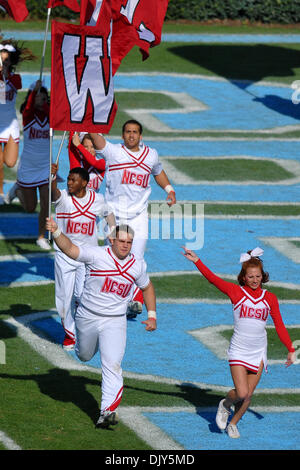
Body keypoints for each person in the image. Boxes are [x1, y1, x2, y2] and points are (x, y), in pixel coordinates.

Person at [46, 217, 157, 428]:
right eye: (122, 241)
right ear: (112, 240)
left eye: (129, 242)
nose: (125, 245)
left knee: (112, 364)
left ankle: (107, 411)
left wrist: (152, 315)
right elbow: (70, 249)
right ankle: (83, 344)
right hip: (87, 316)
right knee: (85, 355)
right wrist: (57, 231)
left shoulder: (137, 265)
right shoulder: (97, 255)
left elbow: (147, 287)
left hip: (115, 321)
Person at [182, 246, 295, 439]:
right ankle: (225, 404)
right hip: (239, 350)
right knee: (241, 393)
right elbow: (214, 280)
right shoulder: (236, 292)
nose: (254, 280)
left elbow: (279, 326)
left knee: (248, 396)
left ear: (263, 276)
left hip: (258, 352)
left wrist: (290, 349)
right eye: (250, 276)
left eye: (258, 276)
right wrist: (197, 261)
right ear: (243, 277)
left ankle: (233, 423)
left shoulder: (270, 298)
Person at [90, 120, 176, 317]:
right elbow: (97, 139)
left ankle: (134, 300)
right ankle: (107, 298)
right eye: (128, 132)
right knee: (111, 258)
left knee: (136, 259)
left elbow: (158, 172)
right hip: (113, 216)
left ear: (141, 135)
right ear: (122, 135)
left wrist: (170, 190)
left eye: (135, 132)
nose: (131, 135)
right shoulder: (114, 152)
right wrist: (88, 121)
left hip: (138, 216)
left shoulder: (151, 155)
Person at [51, 164, 115, 350]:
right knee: (63, 300)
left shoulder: (97, 198)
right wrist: (53, 176)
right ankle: (69, 333)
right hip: (65, 255)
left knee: (82, 295)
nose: (69, 183)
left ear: (85, 183)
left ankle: (82, 331)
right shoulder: (64, 198)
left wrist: (112, 230)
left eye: (73, 180)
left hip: (87, 255)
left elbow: (108, 213)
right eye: (69, 179)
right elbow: (53, 193)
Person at [4, 80, 52, 249]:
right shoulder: (28, 114)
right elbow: (29, 108)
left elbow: (52, 112)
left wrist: (43, 100)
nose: (40, 100)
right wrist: (34, 92)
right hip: (29, 168)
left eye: (43, 98)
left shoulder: (50, 116)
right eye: (37, 98)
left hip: (45, 166)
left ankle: (41, 237)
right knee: (31, 208)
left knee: (46, 203)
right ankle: (17, 190)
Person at [0, 39, 35, 203]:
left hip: (10, 124)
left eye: (5, 59)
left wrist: (5, 72)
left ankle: (14, 189)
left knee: (10, 161)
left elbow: (13, 84)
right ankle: (0, 195)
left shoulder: (16, 78)